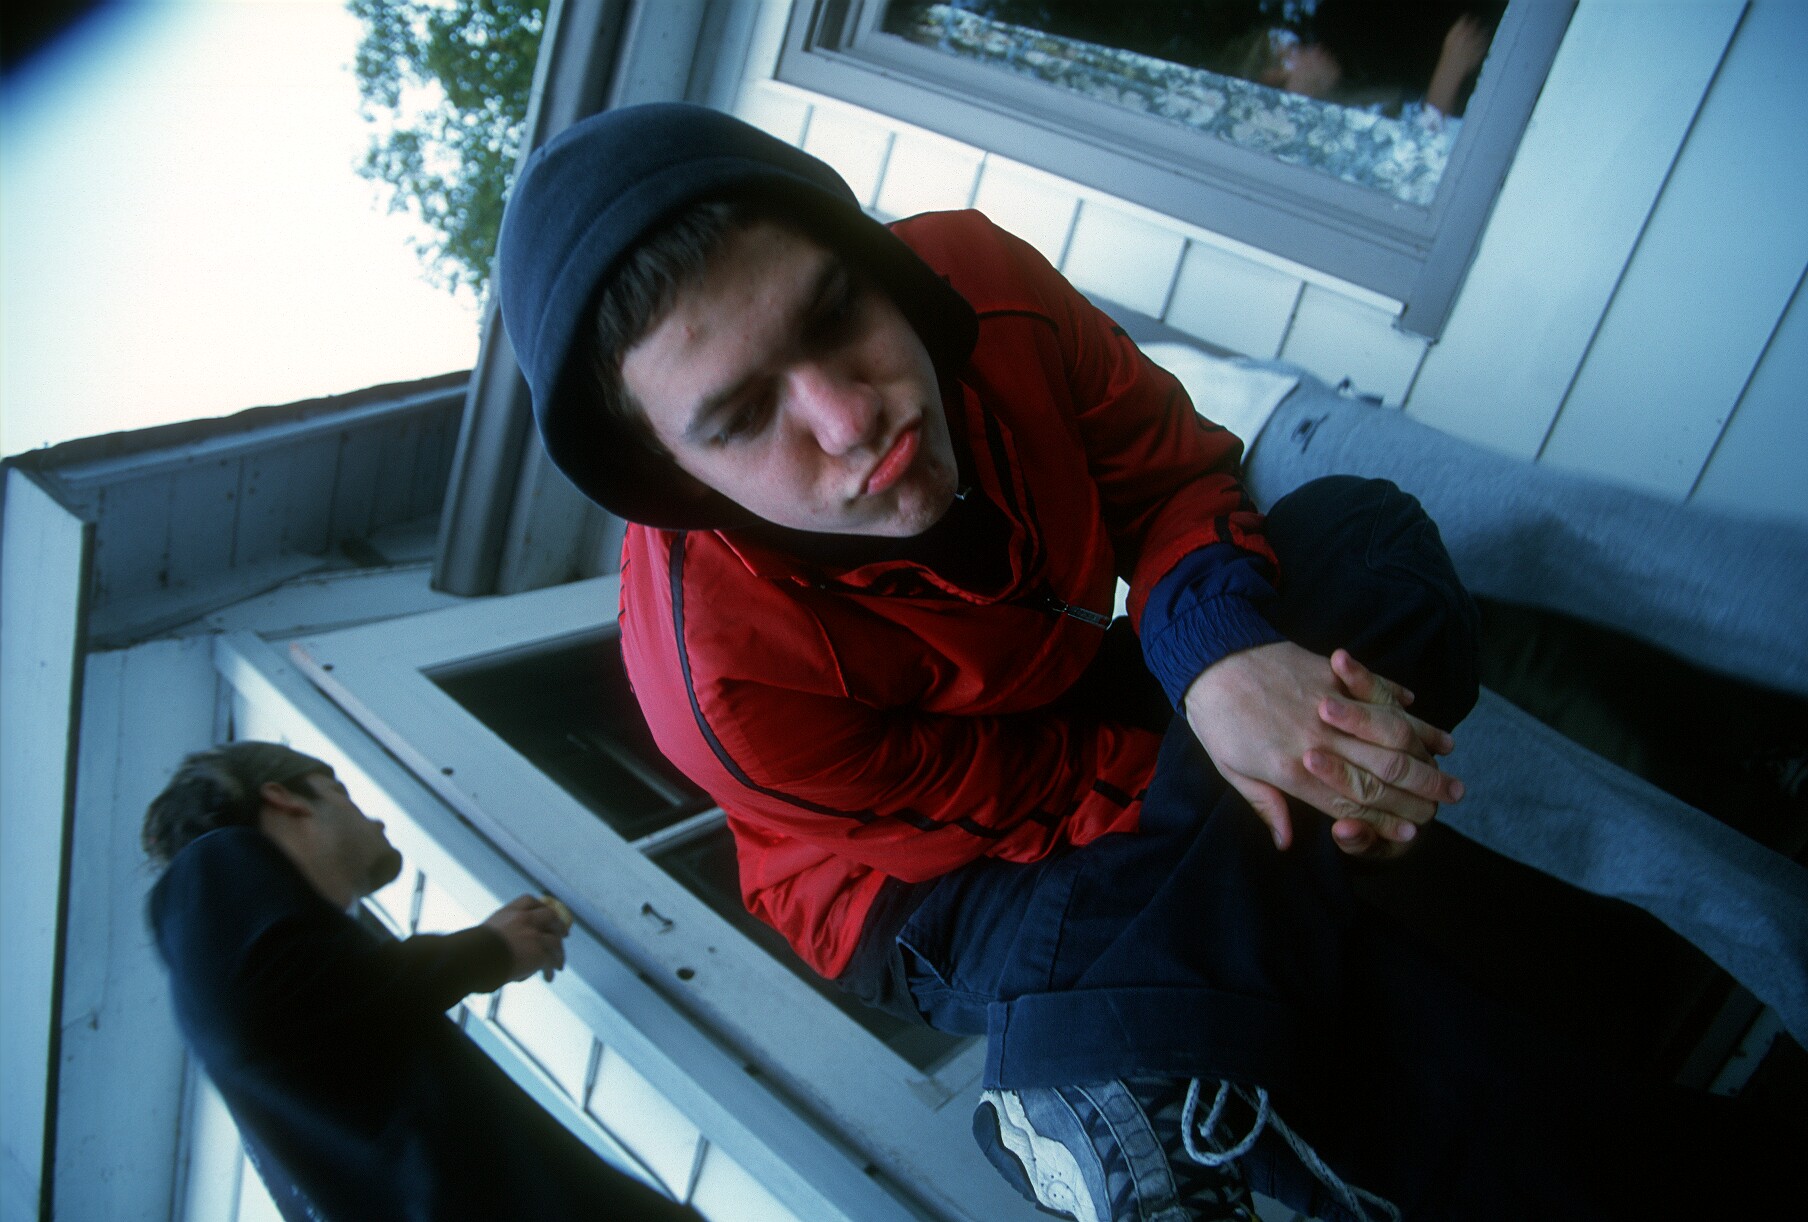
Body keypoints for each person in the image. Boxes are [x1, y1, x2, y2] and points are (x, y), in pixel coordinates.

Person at [495, 103, 1800, 1220]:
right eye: (741, 415)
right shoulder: (719, 679)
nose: (847, 417)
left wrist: (1222, 663)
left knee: (1356, 535)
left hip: (1083, 678)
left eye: (836, 310)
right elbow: (1019, 803)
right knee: (1291, 988)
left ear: (870, 263)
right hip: (927, 881)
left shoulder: (983, 280)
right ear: (676, 480)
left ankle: (1095, 1064)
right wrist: (1271, 769)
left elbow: (1170, 476)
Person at [143, 741, 701, 1222]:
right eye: (338, 790)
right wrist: (487, 951)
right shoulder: (209, 866)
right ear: (284, 797)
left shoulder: (287, 1093)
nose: (374, 820)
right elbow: (267, 999)